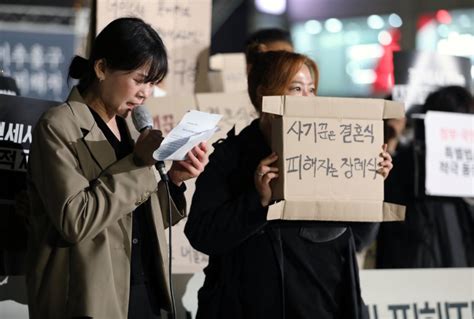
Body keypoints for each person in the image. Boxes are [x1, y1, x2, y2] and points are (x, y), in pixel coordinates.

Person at [185, 49, 393, 319]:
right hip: (248, 307)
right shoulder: (231, 157)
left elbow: (360, 239)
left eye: (312, 89)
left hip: (325, 304)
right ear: (264, 95)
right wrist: (257, 202)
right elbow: (202, 234)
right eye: (296, 88)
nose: (307, 98)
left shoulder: (334, 150)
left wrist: (370, 183)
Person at [26, 17, 208, 319]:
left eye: (152, 83)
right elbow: (76, 220)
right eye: (139, 79)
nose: (145, 93)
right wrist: (139, 164)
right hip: (91, 298)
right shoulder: (59, 126)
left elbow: (131, 218)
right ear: (101, 69)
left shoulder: (130, 130)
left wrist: (174, 179)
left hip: (142, 292)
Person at [377, 85, 474, 268]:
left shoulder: (466, 168)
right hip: (415, 268)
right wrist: (390, 141)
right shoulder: (407, 163)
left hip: (458, 267)